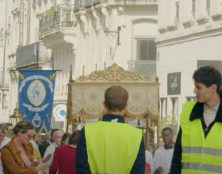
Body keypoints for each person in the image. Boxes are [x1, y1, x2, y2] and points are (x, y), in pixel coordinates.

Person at [76, 85, 145, 174]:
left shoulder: (87, 131)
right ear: (125, 106)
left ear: (104, 104)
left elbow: (82, 168)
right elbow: (138, 170)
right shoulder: (137, 135)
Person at [170, 66, 222, 174]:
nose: (195, 91)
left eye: (199, 87)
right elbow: (177, 154)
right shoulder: (188, 111)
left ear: (213, 88)